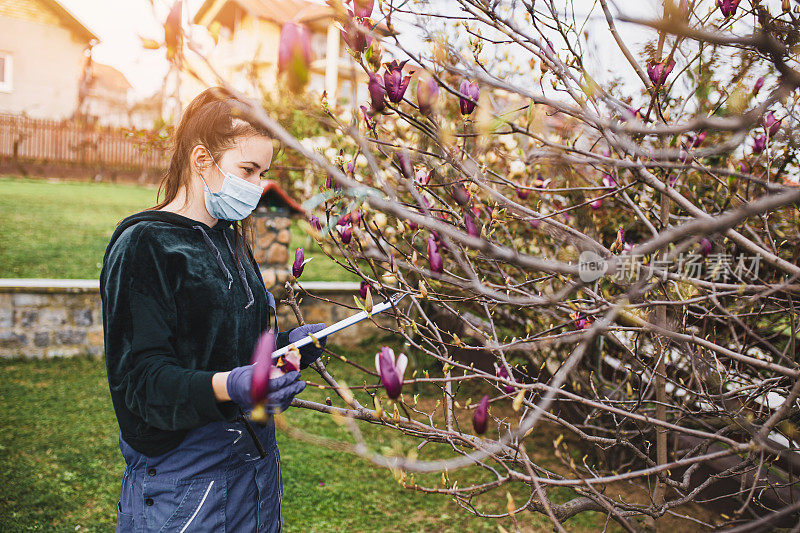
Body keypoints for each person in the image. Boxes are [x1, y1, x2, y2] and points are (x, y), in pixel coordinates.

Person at [100, 86, 326, 532]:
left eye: (263, 172)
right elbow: (142, 384)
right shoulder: (146, 245)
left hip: (254, 474)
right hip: (187, 486)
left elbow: (223, 346)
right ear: (202, 160)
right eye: (248, 169)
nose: (258, 187)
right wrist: (233, 386)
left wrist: (283, 348)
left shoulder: (230, 238)